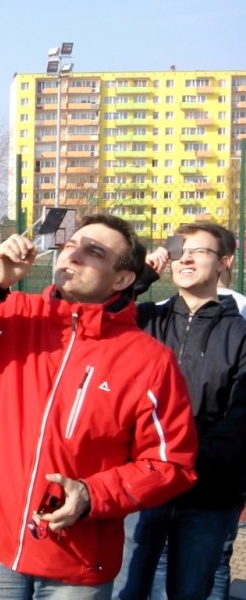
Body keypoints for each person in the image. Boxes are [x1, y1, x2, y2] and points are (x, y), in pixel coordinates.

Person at [0, 214, 198, 598]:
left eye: (93, 252)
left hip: (76, 563)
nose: (73, 256)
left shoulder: (149, 360)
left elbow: (171, 463)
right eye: (70, 245)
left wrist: (93, 494)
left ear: (123, 278)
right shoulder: (13, 315)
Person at [113, 222, 246, 600]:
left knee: (191, 591)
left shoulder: (239, 333)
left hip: (208, 493)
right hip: (142, 488)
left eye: (199, 251)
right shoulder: (144, 320)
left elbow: (240, 418)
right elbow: (97, 313)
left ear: (224, 262)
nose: (185, 257)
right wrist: (140, 279)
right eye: (179, 249)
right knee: (127, 590)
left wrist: (183, 465)